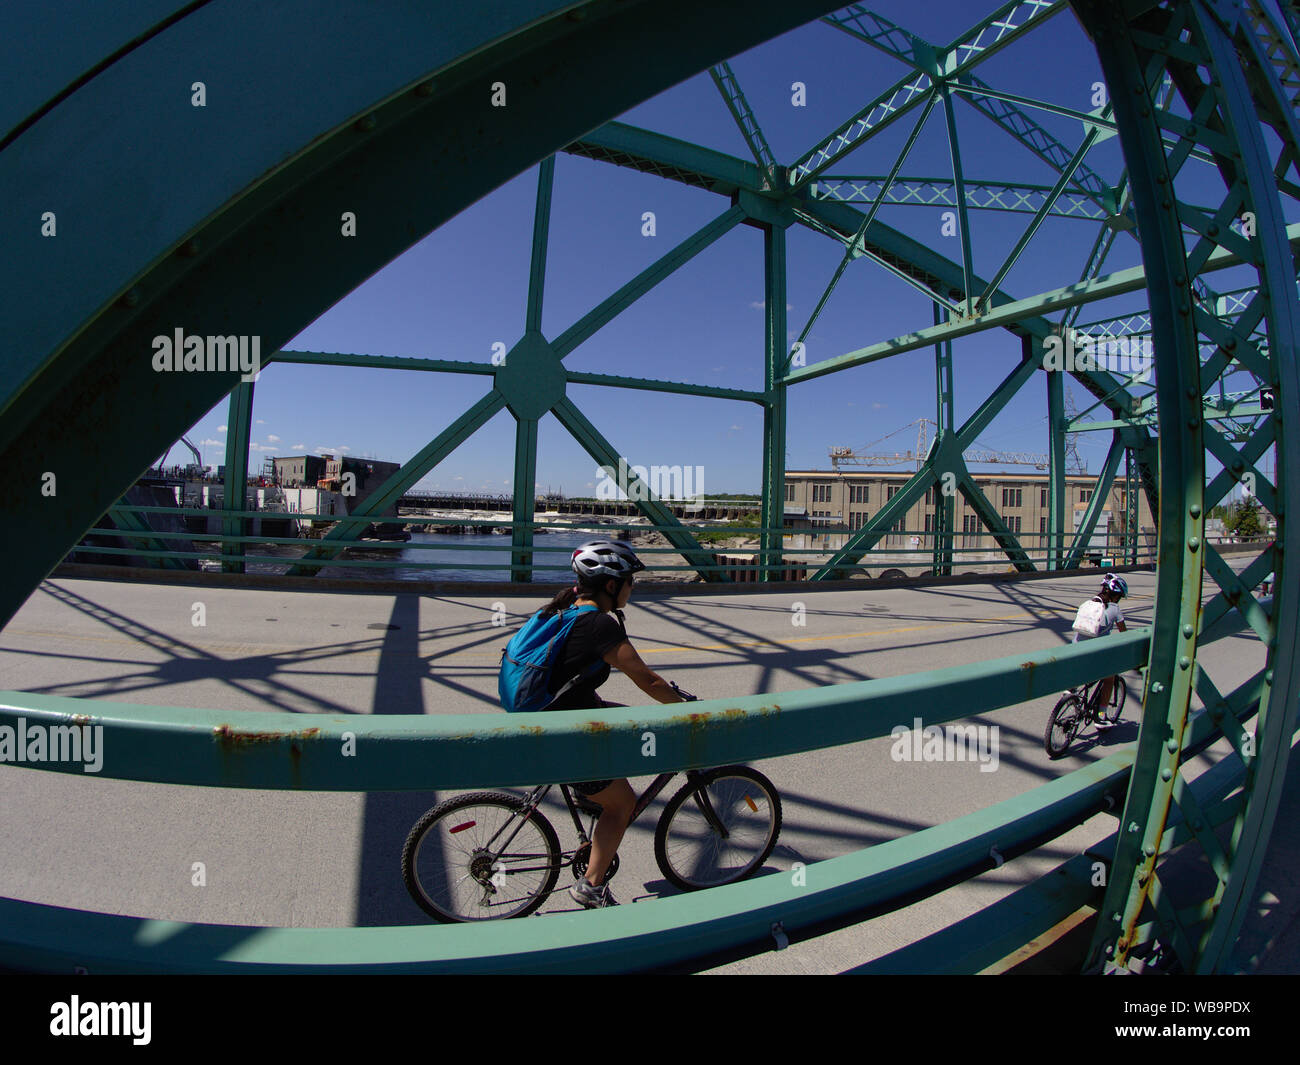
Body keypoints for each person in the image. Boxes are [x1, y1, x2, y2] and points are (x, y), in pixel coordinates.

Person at [540, 540, 685, 908]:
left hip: (556, 720)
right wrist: (683, 708)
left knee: (625, 722)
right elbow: (648, 681)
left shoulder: (567, 611)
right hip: (568, 733)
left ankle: (588, 795)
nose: (632, 588)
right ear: (610, 585)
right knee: (622, 805)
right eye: (629, 581)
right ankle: (589, 886)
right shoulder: (599, 626)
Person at [1072, 573, 1128, 720]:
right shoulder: (1115, 609)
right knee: (1110, 677)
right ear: (1116, 595)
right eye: (1120, 596)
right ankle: (1102, 714)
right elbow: (1125, 634)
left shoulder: (1088, 604)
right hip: (1094, 655)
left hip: (1074, 651)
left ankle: (1069, 691)